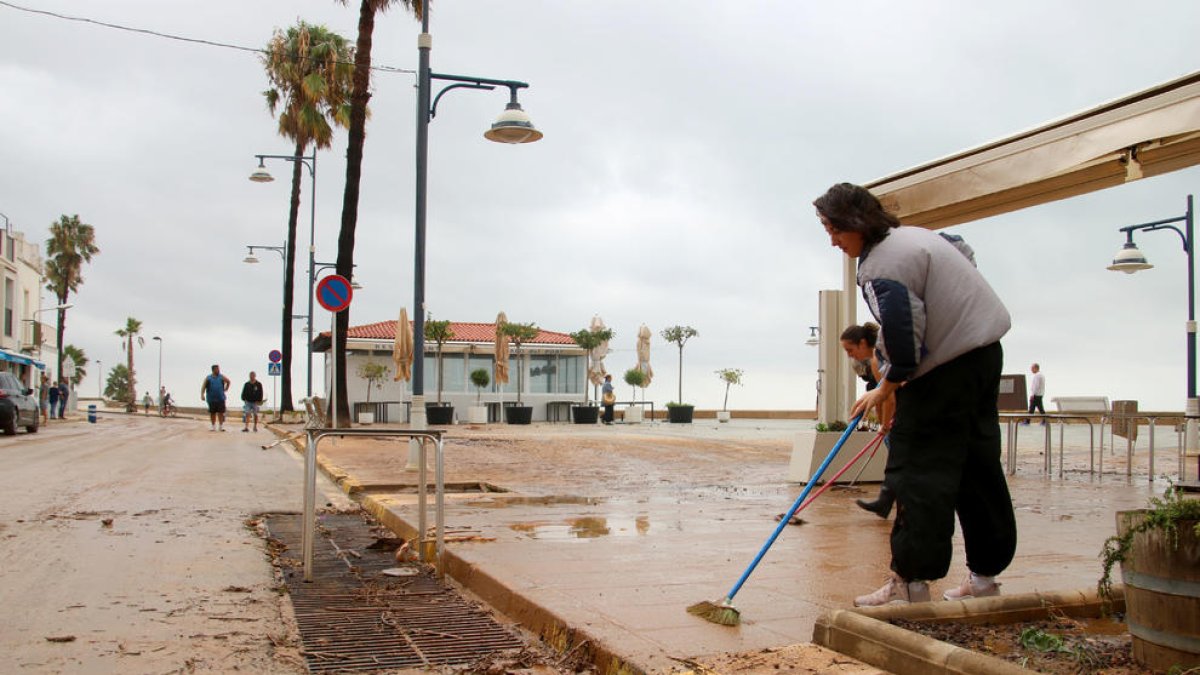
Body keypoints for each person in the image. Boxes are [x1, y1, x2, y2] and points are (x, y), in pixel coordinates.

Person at [815, 182, 1017, 607]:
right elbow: (964, 252)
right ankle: (984, 577)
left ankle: (910, 582)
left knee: (917, 472)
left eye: (832, 229)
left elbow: (904, 331)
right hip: (984, 356)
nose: (831, 240)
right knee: (977, 466)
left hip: (942, 371)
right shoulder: (920, 238)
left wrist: (886, 385)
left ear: (855, 222)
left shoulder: (881, 263)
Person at [840, 323, 896, 519]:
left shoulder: (877, 360)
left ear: (863, 343)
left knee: (899, 464)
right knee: (898, 464)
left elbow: (889, 398)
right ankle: (887, 503)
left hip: (899, 421)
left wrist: (885, 426)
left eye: (850, 350)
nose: (850, 355)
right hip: (897, 420)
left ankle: (890, 504)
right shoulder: (882, 356)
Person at [201, 364, 231, 431]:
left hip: (221, 398)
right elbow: (203, 387)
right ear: (213, 370)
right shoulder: (208, 378)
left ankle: (221, 426)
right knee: (212, 413)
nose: (218, 370)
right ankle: (213, 426)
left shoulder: (221, 376)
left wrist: (226, 388)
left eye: (218, 369)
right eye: (217, 369)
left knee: (221, 413)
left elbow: (228, 381)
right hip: (211, 399)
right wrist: (202, 395)